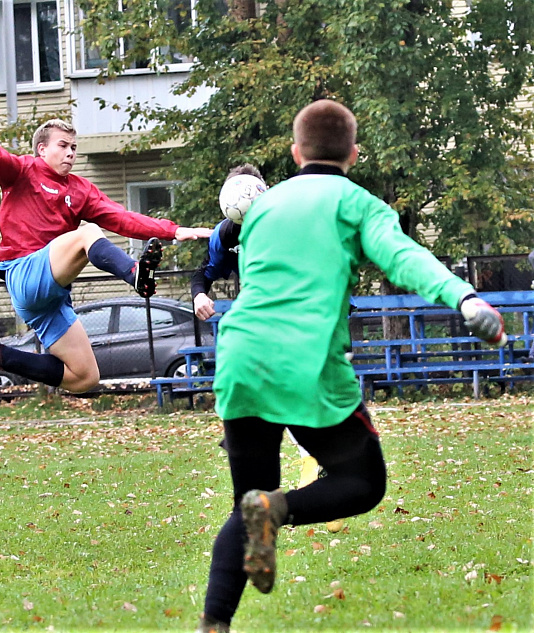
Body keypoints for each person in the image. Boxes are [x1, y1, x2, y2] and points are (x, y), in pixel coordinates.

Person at [197, 100, 506, 633]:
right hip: (306, 363)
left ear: (295, 153)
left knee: (246, 505)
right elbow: (401, 255)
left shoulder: (264, 208)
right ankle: (278, 510)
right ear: (354, 153)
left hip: (241, 358)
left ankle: (213, 623)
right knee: (363, 482)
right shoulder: (357, 202)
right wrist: (464, 298)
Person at [0, 96, 211, 395]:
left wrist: (174, 230)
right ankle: (136, 273)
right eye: (63, 146)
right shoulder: (21, 171)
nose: (70, 153)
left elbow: (122, 218)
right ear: (42, 149)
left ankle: (1, 356)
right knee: (87, 234)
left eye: (73, 148)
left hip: (51, 298)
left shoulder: (81, 190)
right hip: (24, 273)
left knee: (84, 377)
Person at [192, 163, 345, 533]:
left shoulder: (292, 219)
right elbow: (203, 271)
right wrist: (199, 293)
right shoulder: (226, 234)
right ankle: (294, 474)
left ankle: (310, 470)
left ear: (263, 191)